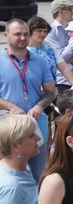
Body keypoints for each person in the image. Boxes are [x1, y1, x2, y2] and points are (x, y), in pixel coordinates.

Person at [0, 19, 56, 182]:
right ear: (6, 35)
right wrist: (11, 106)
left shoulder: (40, 61)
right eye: (17, 34)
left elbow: (51, 92)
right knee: (8, 172)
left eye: (26, 34)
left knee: (39, 173)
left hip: (35, 125)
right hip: (7, 126)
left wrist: (39, 106)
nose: (23, 38)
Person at [45, 0, 73, 92]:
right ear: (61, 12)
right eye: (70, 9)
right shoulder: (51, 32)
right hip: (62, 83)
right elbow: (61, 58)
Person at [26, 16, 73, 88]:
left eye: (45, 31)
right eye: (39, 31)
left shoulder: (49, 46)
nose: (43, 34)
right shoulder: (24, 50)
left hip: (51, 90)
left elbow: (64, 68)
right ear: (30, 31)